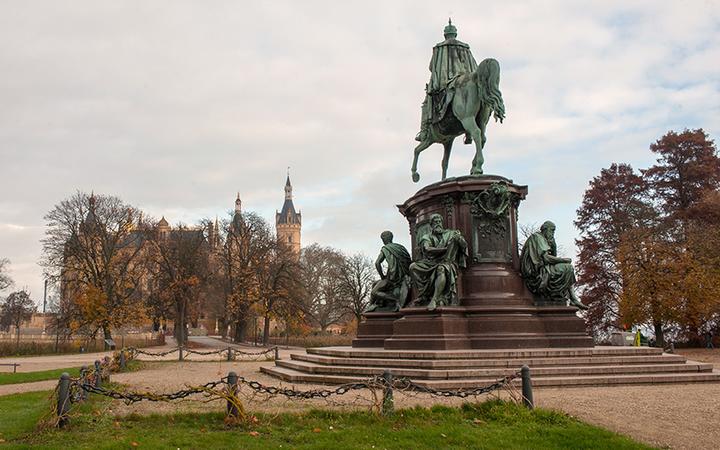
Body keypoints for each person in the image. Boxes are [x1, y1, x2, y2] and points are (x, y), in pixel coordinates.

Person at [416, 19, 477, 143]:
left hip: (445, 80)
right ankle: (469, 134)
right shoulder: (465, 47)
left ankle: (424, 131)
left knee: (426, 104)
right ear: (455, 34)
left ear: (445, 35)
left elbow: (432, 67)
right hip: (465, 77)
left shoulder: (439, 47)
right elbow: (473, 64)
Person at [520, 221, 587, 309]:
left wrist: (553, 246)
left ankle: (573, 299)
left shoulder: (545, 239)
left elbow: (553, 257)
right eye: (551, 231)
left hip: (543, 267)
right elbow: (546, 258)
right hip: (536, 272)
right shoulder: (537, 237)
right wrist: (564, 260)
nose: (552, 233)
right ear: (545, 229)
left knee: (568, 268)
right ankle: (573, 299)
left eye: (553, 231)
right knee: (568, 267)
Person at [410, 214, 468, 310]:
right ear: (431, 225)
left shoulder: (451, 233)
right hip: (431, 261)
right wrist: (446, 249)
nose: (438, 224)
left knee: (441, 268)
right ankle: (423, 294)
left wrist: (459, 239)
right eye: (435, 222)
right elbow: (427, 249)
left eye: (439, 221)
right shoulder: (427, 237)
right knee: (413, 267)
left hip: (447, 262)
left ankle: (434, 299)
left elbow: (463, 246)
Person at [364, 231, 412, 313]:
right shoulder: (401, 247)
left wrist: (382, 276)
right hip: (404, 275)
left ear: (384, 239)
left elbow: (377, 263)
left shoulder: (385, 248)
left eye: (382, 239)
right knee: (375, 284)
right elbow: (408, 260)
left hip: (393, 278)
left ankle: (395, 300)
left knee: (374, 292)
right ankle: (374, 305)